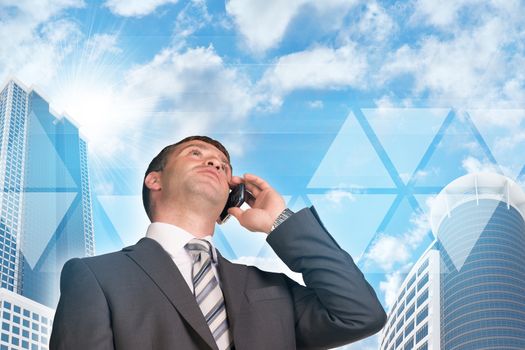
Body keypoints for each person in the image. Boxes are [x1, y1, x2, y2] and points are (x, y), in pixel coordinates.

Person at [50, 135, 386, 350]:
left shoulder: (271, 290)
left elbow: (359, 315)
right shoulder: (96, 276)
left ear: (232, 196)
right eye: (195, 154)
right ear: (155, 180)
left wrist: (279, 223)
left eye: (224, 166)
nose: (214, 163)